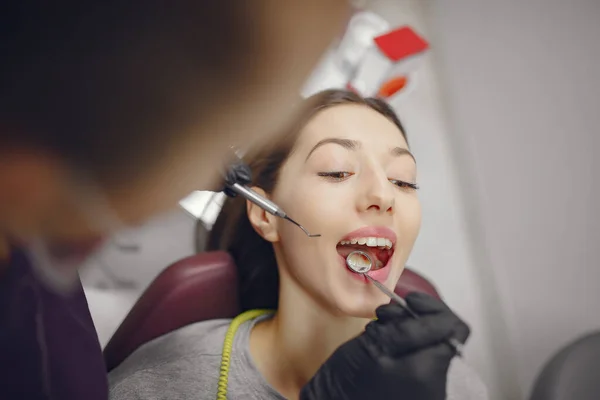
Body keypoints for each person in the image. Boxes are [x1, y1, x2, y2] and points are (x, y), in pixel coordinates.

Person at [108, 89, 487, 399]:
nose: (383, 195)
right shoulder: (166, 382)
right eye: (337, 171)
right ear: (266, 215)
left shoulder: (454, 388)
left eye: (403, 181)